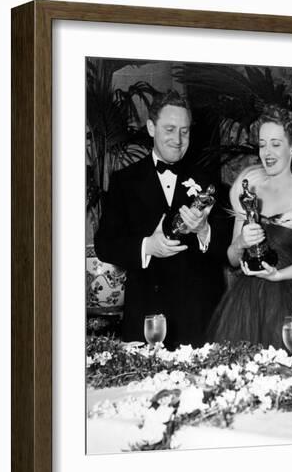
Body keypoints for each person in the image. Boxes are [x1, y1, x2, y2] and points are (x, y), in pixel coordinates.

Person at [94, 90, 231, 348]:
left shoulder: (209, 181)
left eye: (185, 131)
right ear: (151, 128)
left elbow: (229, 250)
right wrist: (148, 246)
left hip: (200, 319)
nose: (178, 139)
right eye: (169, 129)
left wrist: (204, 231)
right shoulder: (124, 181)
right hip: (147, 318)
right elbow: (104, 244)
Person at [208, 104, 292, 357]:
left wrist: (279, 275)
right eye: (262, 144)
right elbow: (232, 258)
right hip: (246, 305)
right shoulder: (247, 190)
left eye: (276, 144)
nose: (267, 152)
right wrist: (240, 244)